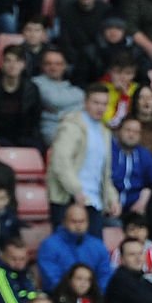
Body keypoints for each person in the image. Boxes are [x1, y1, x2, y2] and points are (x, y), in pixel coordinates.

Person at [47, 84, 121, 236]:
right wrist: (76, 190)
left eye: (104, 104)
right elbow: (61, 162)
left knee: (93, 251)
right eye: (96, 102)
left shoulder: (105, 132)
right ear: (85, 102)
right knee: (67, 250)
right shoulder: (71, 126)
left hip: (94, 201)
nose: (100, 108)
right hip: (68, 199)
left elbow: (104, 172)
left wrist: (113, 198)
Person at [0, 44, 43, 150]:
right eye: (8, 60)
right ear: (2, 63)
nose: (12, 65)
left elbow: (35, 119)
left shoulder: (31, 89)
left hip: (24, 136)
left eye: (17, 61)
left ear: (23, 65)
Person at [37, 204, 113, 292]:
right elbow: (51, 278)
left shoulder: (98, 245)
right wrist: (72, 296)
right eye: (74, 221)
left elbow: (105, 275)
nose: (78, 225)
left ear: (88, 222)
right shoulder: (49, 245)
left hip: (93, 299)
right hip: (60, 298)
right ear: (64, 222)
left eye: (82, 221)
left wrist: (95, 296)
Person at [111, 116, 152, 214]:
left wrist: (144, 197)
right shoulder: (109, 150)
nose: (131, 135)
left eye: (136, 132)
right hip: (109, 205)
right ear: (118, 131)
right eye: (128, 130)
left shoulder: (144, 154)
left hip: (136, 209)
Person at [33, 48, 84, 147]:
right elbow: (54, 101)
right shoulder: (37, 83)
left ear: (65, 66)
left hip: (73, 127)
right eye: (48, 63)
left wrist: (61, 112)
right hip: (52, 129)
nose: (53, 67)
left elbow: (84, 101)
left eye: (58, 64)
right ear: (42, 66)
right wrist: (73, 108)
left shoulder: (69, 86)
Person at [58, 0, 110, 68]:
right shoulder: (66, 12)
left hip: (101, 62)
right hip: (75, 63)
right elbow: (65, 44)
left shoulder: (107, 11)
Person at [109, 212, 152, 290]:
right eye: (132, 229)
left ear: (147, 231)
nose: (137, 232)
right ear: (125, 233)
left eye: (141, 228)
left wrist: (146, 286)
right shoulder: (118, 252)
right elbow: (113, 276)